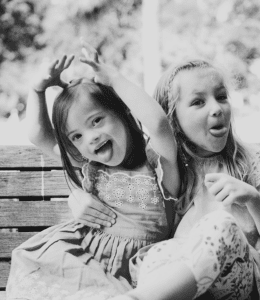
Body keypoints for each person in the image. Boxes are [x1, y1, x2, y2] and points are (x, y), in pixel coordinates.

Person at [74, 58, 260, 300]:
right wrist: (78, 195)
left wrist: (253, 198)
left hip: (240, 278)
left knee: (221, 225)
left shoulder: (251, 160)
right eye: (198, 102)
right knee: (156, 254)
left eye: (221, 96)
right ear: (173, 119)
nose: (216, 108)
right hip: (185, 286)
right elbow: (98, 164)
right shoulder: (168, 165)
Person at [6, 40, 179, 300]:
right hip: (82, 260)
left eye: (96, 120)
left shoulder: (157, 163)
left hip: (138, 269)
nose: (91, 138)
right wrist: (37, 89)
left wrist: (114, 79)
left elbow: (158, 124)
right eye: (76, 136)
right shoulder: (91, 166)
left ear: (123, 114)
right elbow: (38, 134)